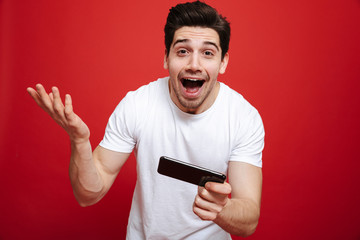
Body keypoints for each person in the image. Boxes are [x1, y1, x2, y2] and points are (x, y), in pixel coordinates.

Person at [27, 1, 264, 239]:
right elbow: (88, 193)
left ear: (223, 62)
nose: (194, 65)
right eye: (182, 51)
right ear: (166, 58)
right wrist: (79, 141)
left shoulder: (243, 118)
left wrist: (223, 209)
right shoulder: (138, 104)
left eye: (208, 53)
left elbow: (249, 218)